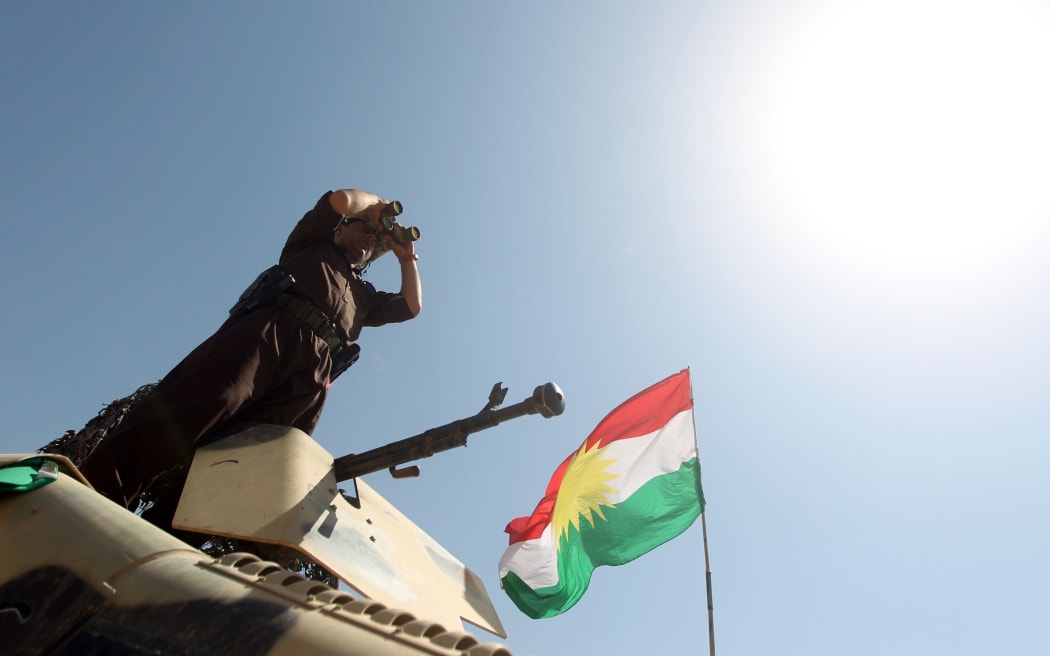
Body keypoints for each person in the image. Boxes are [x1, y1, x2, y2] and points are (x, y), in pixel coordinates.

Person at [80, 189, 421, 526]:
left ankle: (170, 536)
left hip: (313, 374)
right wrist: (375, 206)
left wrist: (406, 257)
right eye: (363, 227)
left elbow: (411, 306)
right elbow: (340, 202)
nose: (369, 236)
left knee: (252, 459)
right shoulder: (311, 243)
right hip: (269, 333)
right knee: (206, 401)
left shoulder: (365, 295)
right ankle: (95, 493)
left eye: (375, 237)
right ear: (339, 229)